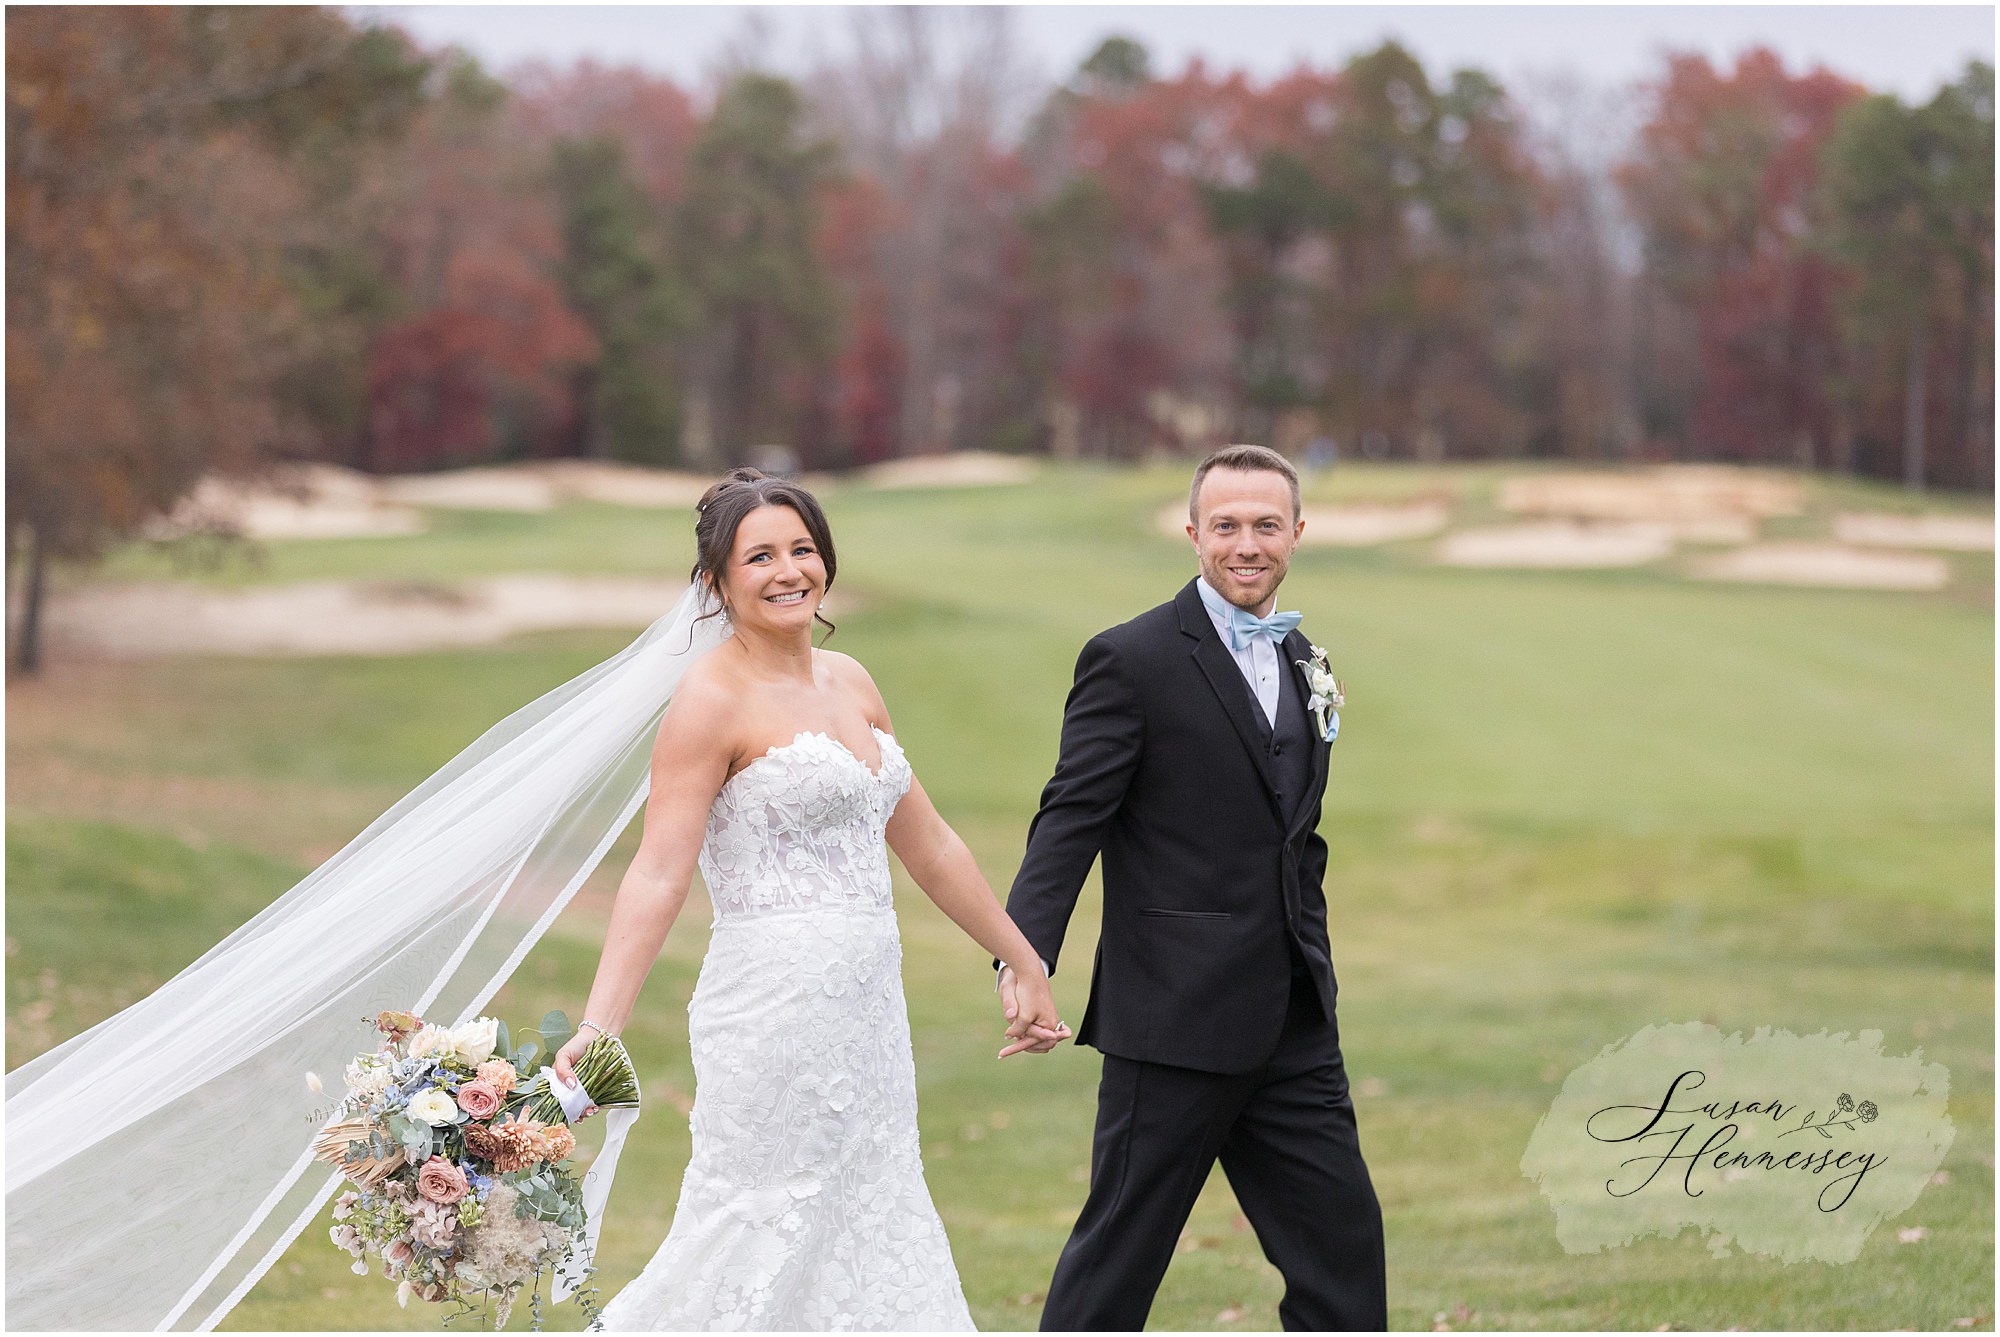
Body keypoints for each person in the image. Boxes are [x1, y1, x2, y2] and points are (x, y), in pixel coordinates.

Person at [552, 468, 1069, 1330]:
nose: (789, 570)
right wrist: (601, 1026)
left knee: (869, 1211)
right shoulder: (709, 699)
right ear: (717, 582)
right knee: (758, 1219)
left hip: (869, 1015)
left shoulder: (853, 680)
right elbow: (657, 873)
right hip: (771, 1011)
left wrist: (1021, 957)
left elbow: (931, 845)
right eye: (760, 556)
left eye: (802, 549)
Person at [1000, 444, 1387, 1331]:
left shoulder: (1305, 659)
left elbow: (1296, 838)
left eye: (1265, 525)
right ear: (1192, 534)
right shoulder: (1130, 658)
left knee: (1344, 1251)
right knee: (1116, 1263)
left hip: (1292, 1023)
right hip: (1172, 1021)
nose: (1246, 544)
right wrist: (1022, 959)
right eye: (1226, 525)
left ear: (1297, 532)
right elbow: (1070, 818)